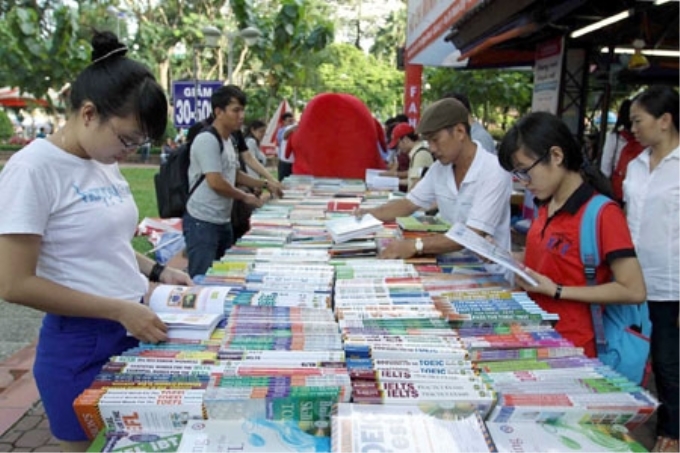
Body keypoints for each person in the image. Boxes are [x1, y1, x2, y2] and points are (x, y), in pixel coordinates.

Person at [0, 31, 193, 452]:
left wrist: (160, 271)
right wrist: (118, 310)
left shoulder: (101, 160)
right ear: (88, 113)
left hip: (132, 325)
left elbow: (107, 244)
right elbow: (13, 283)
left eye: (138, 143)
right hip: (81, 344)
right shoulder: (33, 170)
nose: (128, 152)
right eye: (126, 139)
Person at [497, 111, 646, 359]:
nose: (523, 182)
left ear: (556, 156)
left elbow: (633, 290)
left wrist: (557, 291)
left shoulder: (603, 215)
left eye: (525, 171)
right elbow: (552, 258)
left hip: (573, 347)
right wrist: (505, 256)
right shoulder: (546, 204)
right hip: (534, 336)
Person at [355, 98, 512, 265]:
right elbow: (409, 203)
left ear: (459, 132)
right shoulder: (440, 168)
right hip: (452, 265)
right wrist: (366, 215)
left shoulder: (494, 170)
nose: (431, 148)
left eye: (435, 140)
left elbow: (471, 235)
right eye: (428, 141)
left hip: (490, 274)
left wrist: (416, 245)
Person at [623, 86, 679, 453]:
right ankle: (624, 420)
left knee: (666, 361)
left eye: (638, 121)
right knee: (628, 354)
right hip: (630, 280)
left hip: (670, 284)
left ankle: (672, 430)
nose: (633, 129)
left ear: (665, 120)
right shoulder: (635, 164)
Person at [182, 85, 266, 278]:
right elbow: (216, 181)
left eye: (243, 110)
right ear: (218, 112)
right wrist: (245, 197)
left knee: (222, 277)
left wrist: (264, 184)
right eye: (236, 110)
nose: (241, 116)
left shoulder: (229, 140)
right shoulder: (207, 139)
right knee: (202, 279)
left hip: (222, 220)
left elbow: (233, 174)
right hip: (202, 221)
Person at [599, 99, 644, 202]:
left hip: (618, 191)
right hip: (637, 191)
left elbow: (605, 168)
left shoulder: (614, 137)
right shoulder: (646, 140)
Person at [381, 122, 433, 192]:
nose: (399, 148)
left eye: (398, 144)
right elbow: (411, 180)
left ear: (405, 140)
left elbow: (415, 185)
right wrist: (393, 182)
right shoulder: (416, 153)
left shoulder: (420, 155)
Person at [276, 112, 296, 181]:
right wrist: (292, 128)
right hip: (284, 162)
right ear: (284, 122)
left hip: (293, 162)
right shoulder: (281, 131)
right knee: (282, 181)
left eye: (292, 121)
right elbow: (283, 138)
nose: (291, 123)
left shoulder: (295, 130)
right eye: (289, 121)